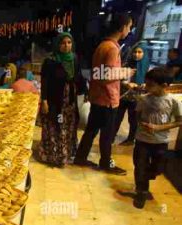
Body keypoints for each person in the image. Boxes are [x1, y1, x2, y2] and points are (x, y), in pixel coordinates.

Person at [74, 13, 135, 175]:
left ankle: (80, 157)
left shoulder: (103, 45)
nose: (129, 30)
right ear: (122, 28)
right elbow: (107, 75)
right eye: (129, 26)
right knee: (107, 135)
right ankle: (106, 164)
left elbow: (100, 73)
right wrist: (125, 72)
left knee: (91, 130)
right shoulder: (112, 48)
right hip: (107, 99)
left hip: (98, 97)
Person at [132, 68, 182, 208]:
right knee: (140, 167)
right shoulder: (144, 99)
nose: (147, 87)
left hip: (161, 142)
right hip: (142, 140)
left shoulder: (173, 102)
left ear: (164, 86)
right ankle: (141, 191)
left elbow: (179, 121)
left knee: (158, 168)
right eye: (146, 84)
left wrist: (159, 128)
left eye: (150, 85)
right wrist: (142, 125)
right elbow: (137, 115)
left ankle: (147, 177)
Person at [36, 32, 87, 167]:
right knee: (56, 124)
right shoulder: (50, 61)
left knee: (68, 124)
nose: (66, 46)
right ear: (58, 44)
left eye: (69, 43)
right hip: (55, 100)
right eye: (63, 43)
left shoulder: (74, 58)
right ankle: (54, 156)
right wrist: (44, 101)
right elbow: (45, 82)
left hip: (70, 99)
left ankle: (65, 153)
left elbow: (79, 76)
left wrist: (86, 91)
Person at [114, 43, 150, 145]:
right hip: (124, 96)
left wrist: (143, 85)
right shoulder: (126, 65)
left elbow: (151, 83)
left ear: (144, 53)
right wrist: (126, 84)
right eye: (135, 52)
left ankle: (130, 139)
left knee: (133, 120)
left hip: (138, 99)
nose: (136, 54)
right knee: (117, 118)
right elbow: (117, 79)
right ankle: (111, 136)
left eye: (139, 52)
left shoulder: (147, 68)